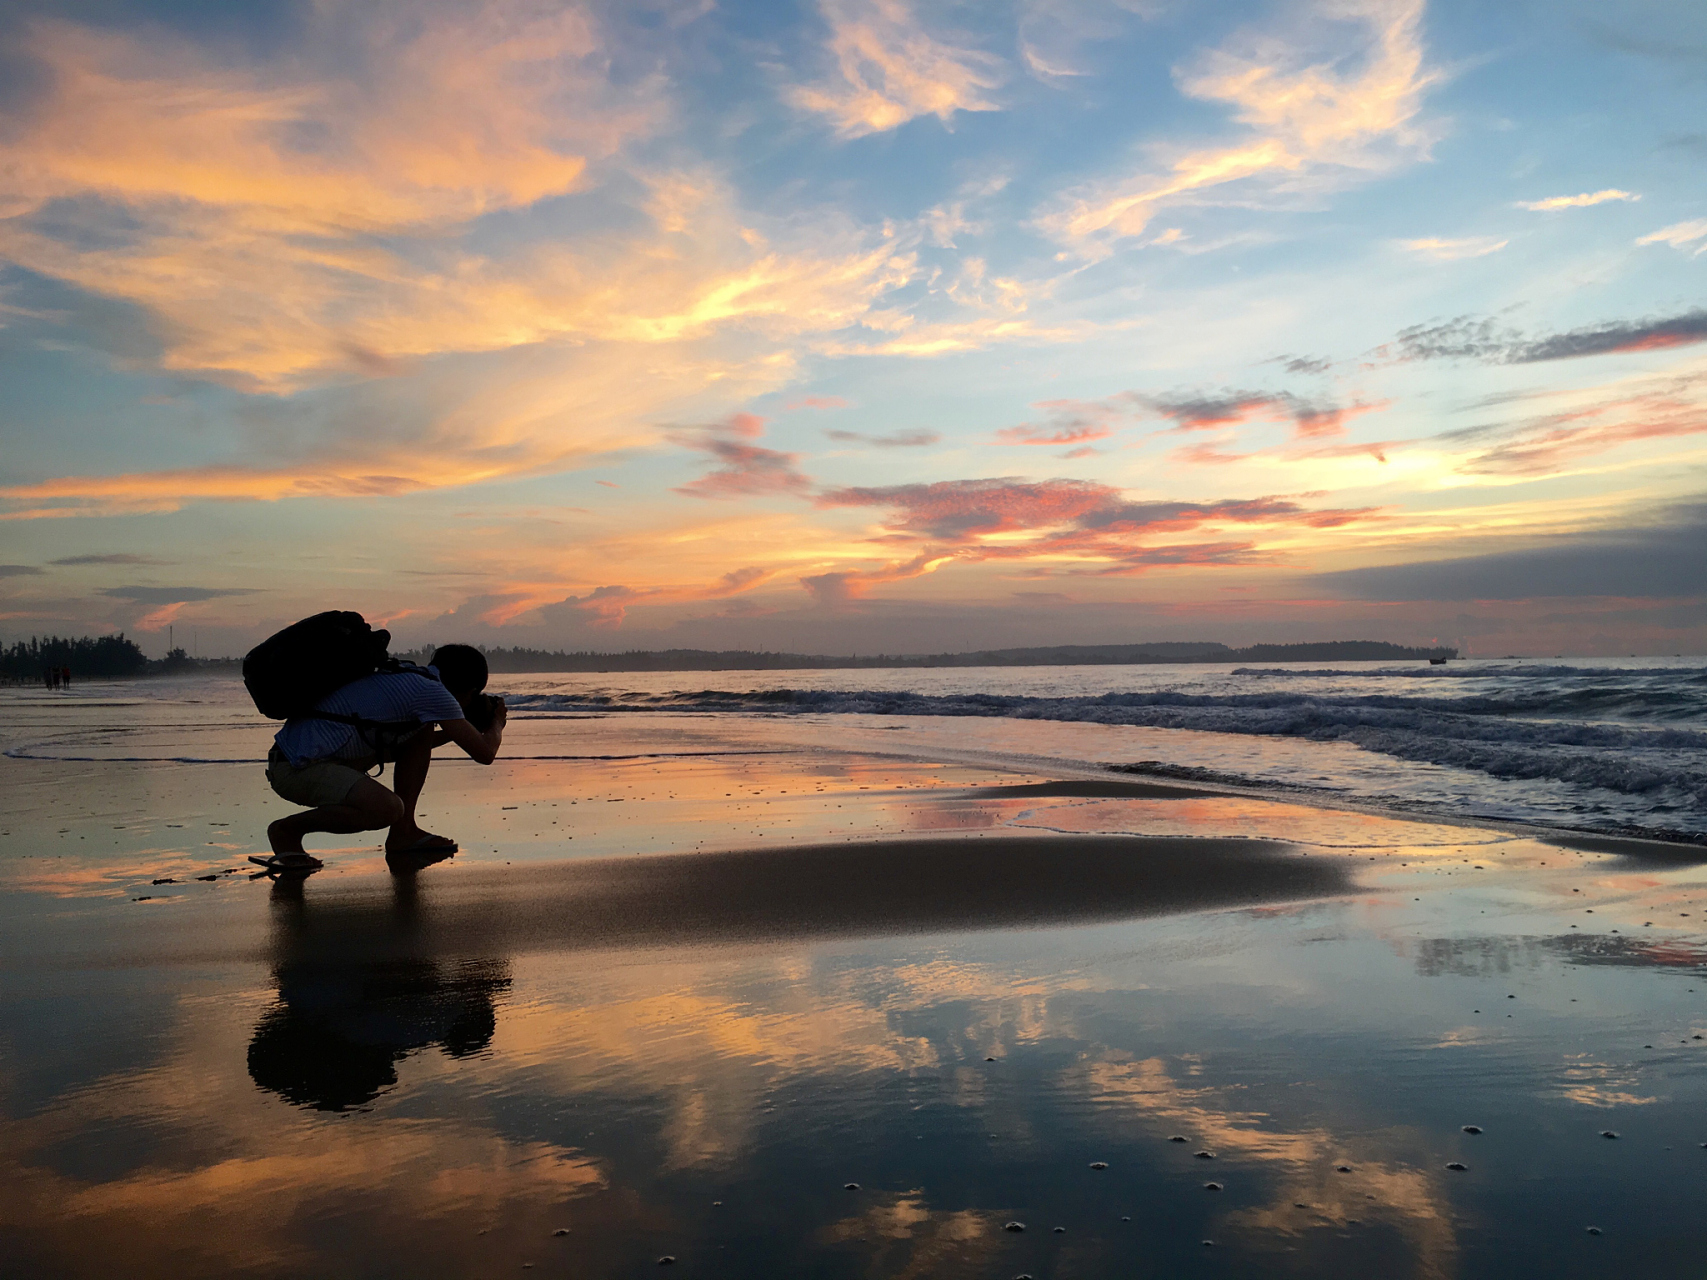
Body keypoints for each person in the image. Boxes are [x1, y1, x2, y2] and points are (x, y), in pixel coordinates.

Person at [256, 644, 506, 871]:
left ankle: (403, 832)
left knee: (421, 731)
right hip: (297, 769)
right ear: (470, 690)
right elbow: (484, 753)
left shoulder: (410, 676)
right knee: (387, 808)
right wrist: (496, 723)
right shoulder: (434, 694)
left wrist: (459, 730)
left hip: (296, 758)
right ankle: (286, 831)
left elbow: (417, 743)